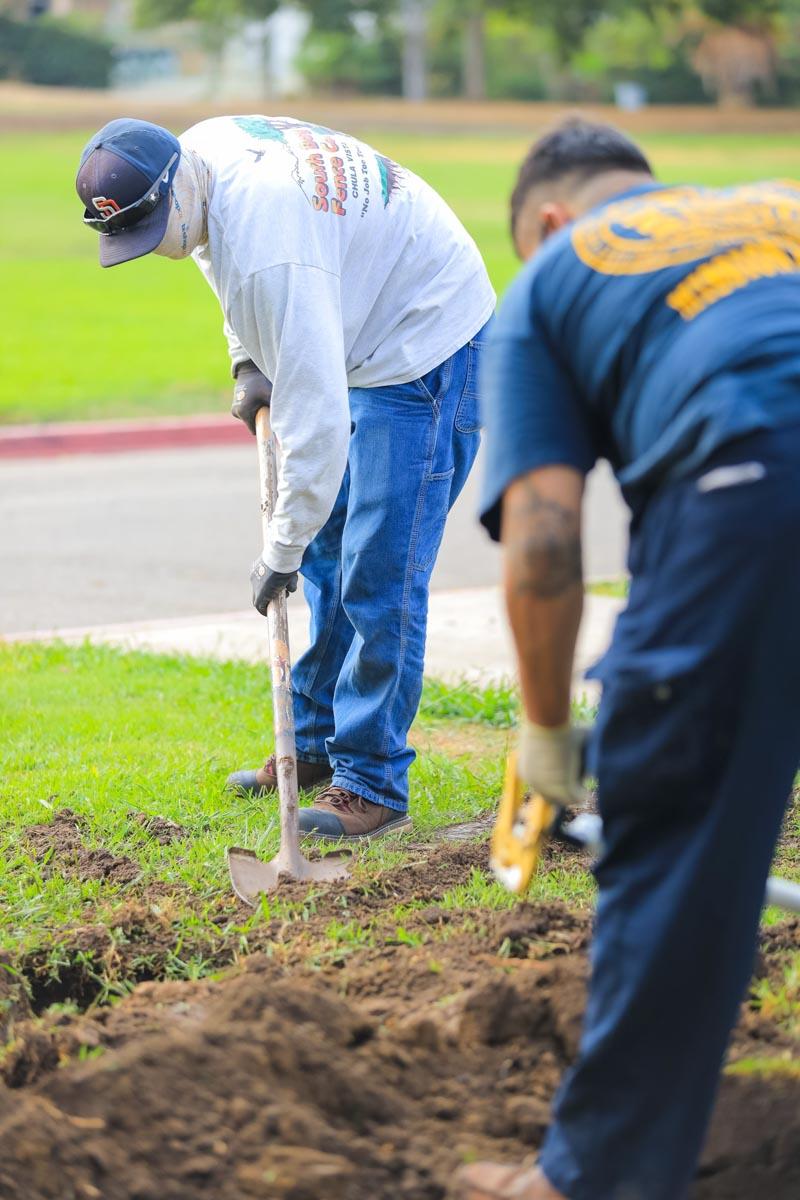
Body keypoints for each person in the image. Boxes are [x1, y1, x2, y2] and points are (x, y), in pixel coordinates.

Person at [456, 118, 800, 1200]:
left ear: (548, 221)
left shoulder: (555, 274)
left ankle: (592, 1182)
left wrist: (548, 732)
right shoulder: (773, 208)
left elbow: (547, 541)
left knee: (673, 822)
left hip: (751, 486)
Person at [76, 116, 493, 841]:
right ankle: (311, 749)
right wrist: (247, 359)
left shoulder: (271, 243)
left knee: (379, 572)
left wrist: (281, 547)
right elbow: (221, 266)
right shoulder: (202, 167)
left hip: (428, 340)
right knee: (334, 552)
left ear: (176, 186)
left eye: (153, 232)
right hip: (361, 311)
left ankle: (371, 782)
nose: (158, 252)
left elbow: (316, 421)